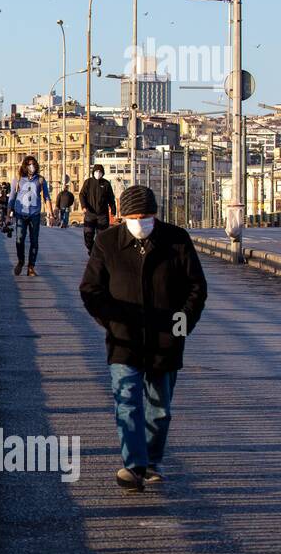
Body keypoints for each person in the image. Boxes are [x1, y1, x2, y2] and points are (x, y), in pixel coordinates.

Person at [79, 185, 207, 491]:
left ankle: (152, 461)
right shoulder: (108, 242)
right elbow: (91, 289)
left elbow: (196, 287)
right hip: (124, 340)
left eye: (145, 216)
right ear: (123, 217)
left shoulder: (176, 240)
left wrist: (181, 325)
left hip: (166, 341)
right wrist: (112, 321)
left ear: (155, 215)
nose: (140, 221)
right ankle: (133, 466)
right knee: (127, 402)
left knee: (159, 409)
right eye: (134, 217)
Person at [7, 155, 54, 277]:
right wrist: (8, 215)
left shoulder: (40, 180)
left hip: (35, 214)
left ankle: (31, 267)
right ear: (24, 166)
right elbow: (12, 197)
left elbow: (46, 197)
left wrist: (51, 213)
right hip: (20, 214)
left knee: (34, 241)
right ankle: (21, 261)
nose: (31, 166)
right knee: (19, 239)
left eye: (33, 164)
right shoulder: (17, 179)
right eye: (29, 164)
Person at [78, 164, 117, 254]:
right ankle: (91, 248)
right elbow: (82, 195)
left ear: (102, 173)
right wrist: (84, 206)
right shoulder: (88, 182)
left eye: (100, 172)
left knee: (102, 237)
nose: (98, 173)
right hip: (90, 213)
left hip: (102, 215)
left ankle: (97, 253)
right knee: (88, 235)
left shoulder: (106, 184)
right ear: (93, 172)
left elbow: (111, 198)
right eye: (96, 171)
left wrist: (113, 210)